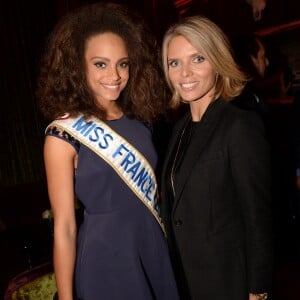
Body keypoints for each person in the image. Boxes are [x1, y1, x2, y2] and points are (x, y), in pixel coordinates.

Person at [36, 2, 179, 300]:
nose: (114, 75)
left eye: (123, 63)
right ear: (78, 66)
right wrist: (65, 297)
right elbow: (64, 227)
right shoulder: (63, 134)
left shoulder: (141, 122)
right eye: (101, 64)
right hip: (105, 259)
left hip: (151, 246)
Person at [160, 16, 273, 300]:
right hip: (188, 282)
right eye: (175, 63)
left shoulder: (239, 126)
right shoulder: (179, 130)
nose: (185, 73)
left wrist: (258, 291)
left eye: (197, 59)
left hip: (229, 282)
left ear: (217, 61)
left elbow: (258, 218)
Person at [230, 33, 270, 119]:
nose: (267, 62)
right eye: (262, 57)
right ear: (252, 60)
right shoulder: (245, 101)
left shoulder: (246, 92)